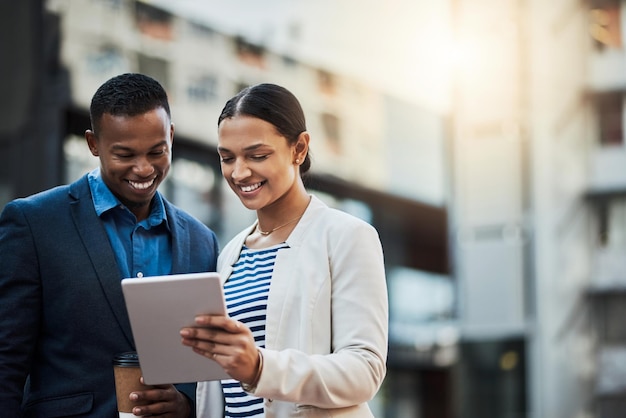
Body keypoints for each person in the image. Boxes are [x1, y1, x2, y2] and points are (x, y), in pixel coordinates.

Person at [0, 73, 219, 417]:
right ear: (93, 144)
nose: (143, 168)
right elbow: (6, 360)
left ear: (171, 137)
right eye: (124, 154)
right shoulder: (33, 223)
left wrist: (186, 404)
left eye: (157, 151)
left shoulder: (201, 241)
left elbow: (205, 365)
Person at [180, 83, 388, 417]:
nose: (240, 172)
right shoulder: (230, 254)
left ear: (299, 149)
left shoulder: (347, 236)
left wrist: (260, 368)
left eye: (257, 156)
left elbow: (364, 370)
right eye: (227, 158)